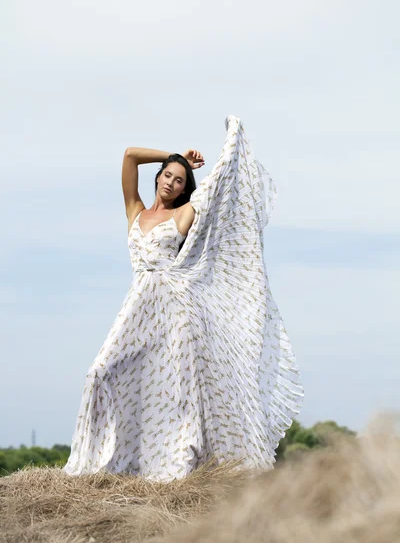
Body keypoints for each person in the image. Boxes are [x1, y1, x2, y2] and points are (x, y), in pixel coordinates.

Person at [63, 114, 304, 482]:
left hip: (174, 307)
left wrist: (228, 147)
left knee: (178, 391)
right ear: (158, 177)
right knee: (101, 370)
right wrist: (176, 157)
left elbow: (217, 189)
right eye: (167, 176)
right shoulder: (135, 211)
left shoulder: (181, 215)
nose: (172, 183)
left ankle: (177, 462)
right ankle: (102, 461)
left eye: (179, 180)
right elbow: (129, 156)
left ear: (181, 190)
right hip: (138, 304)